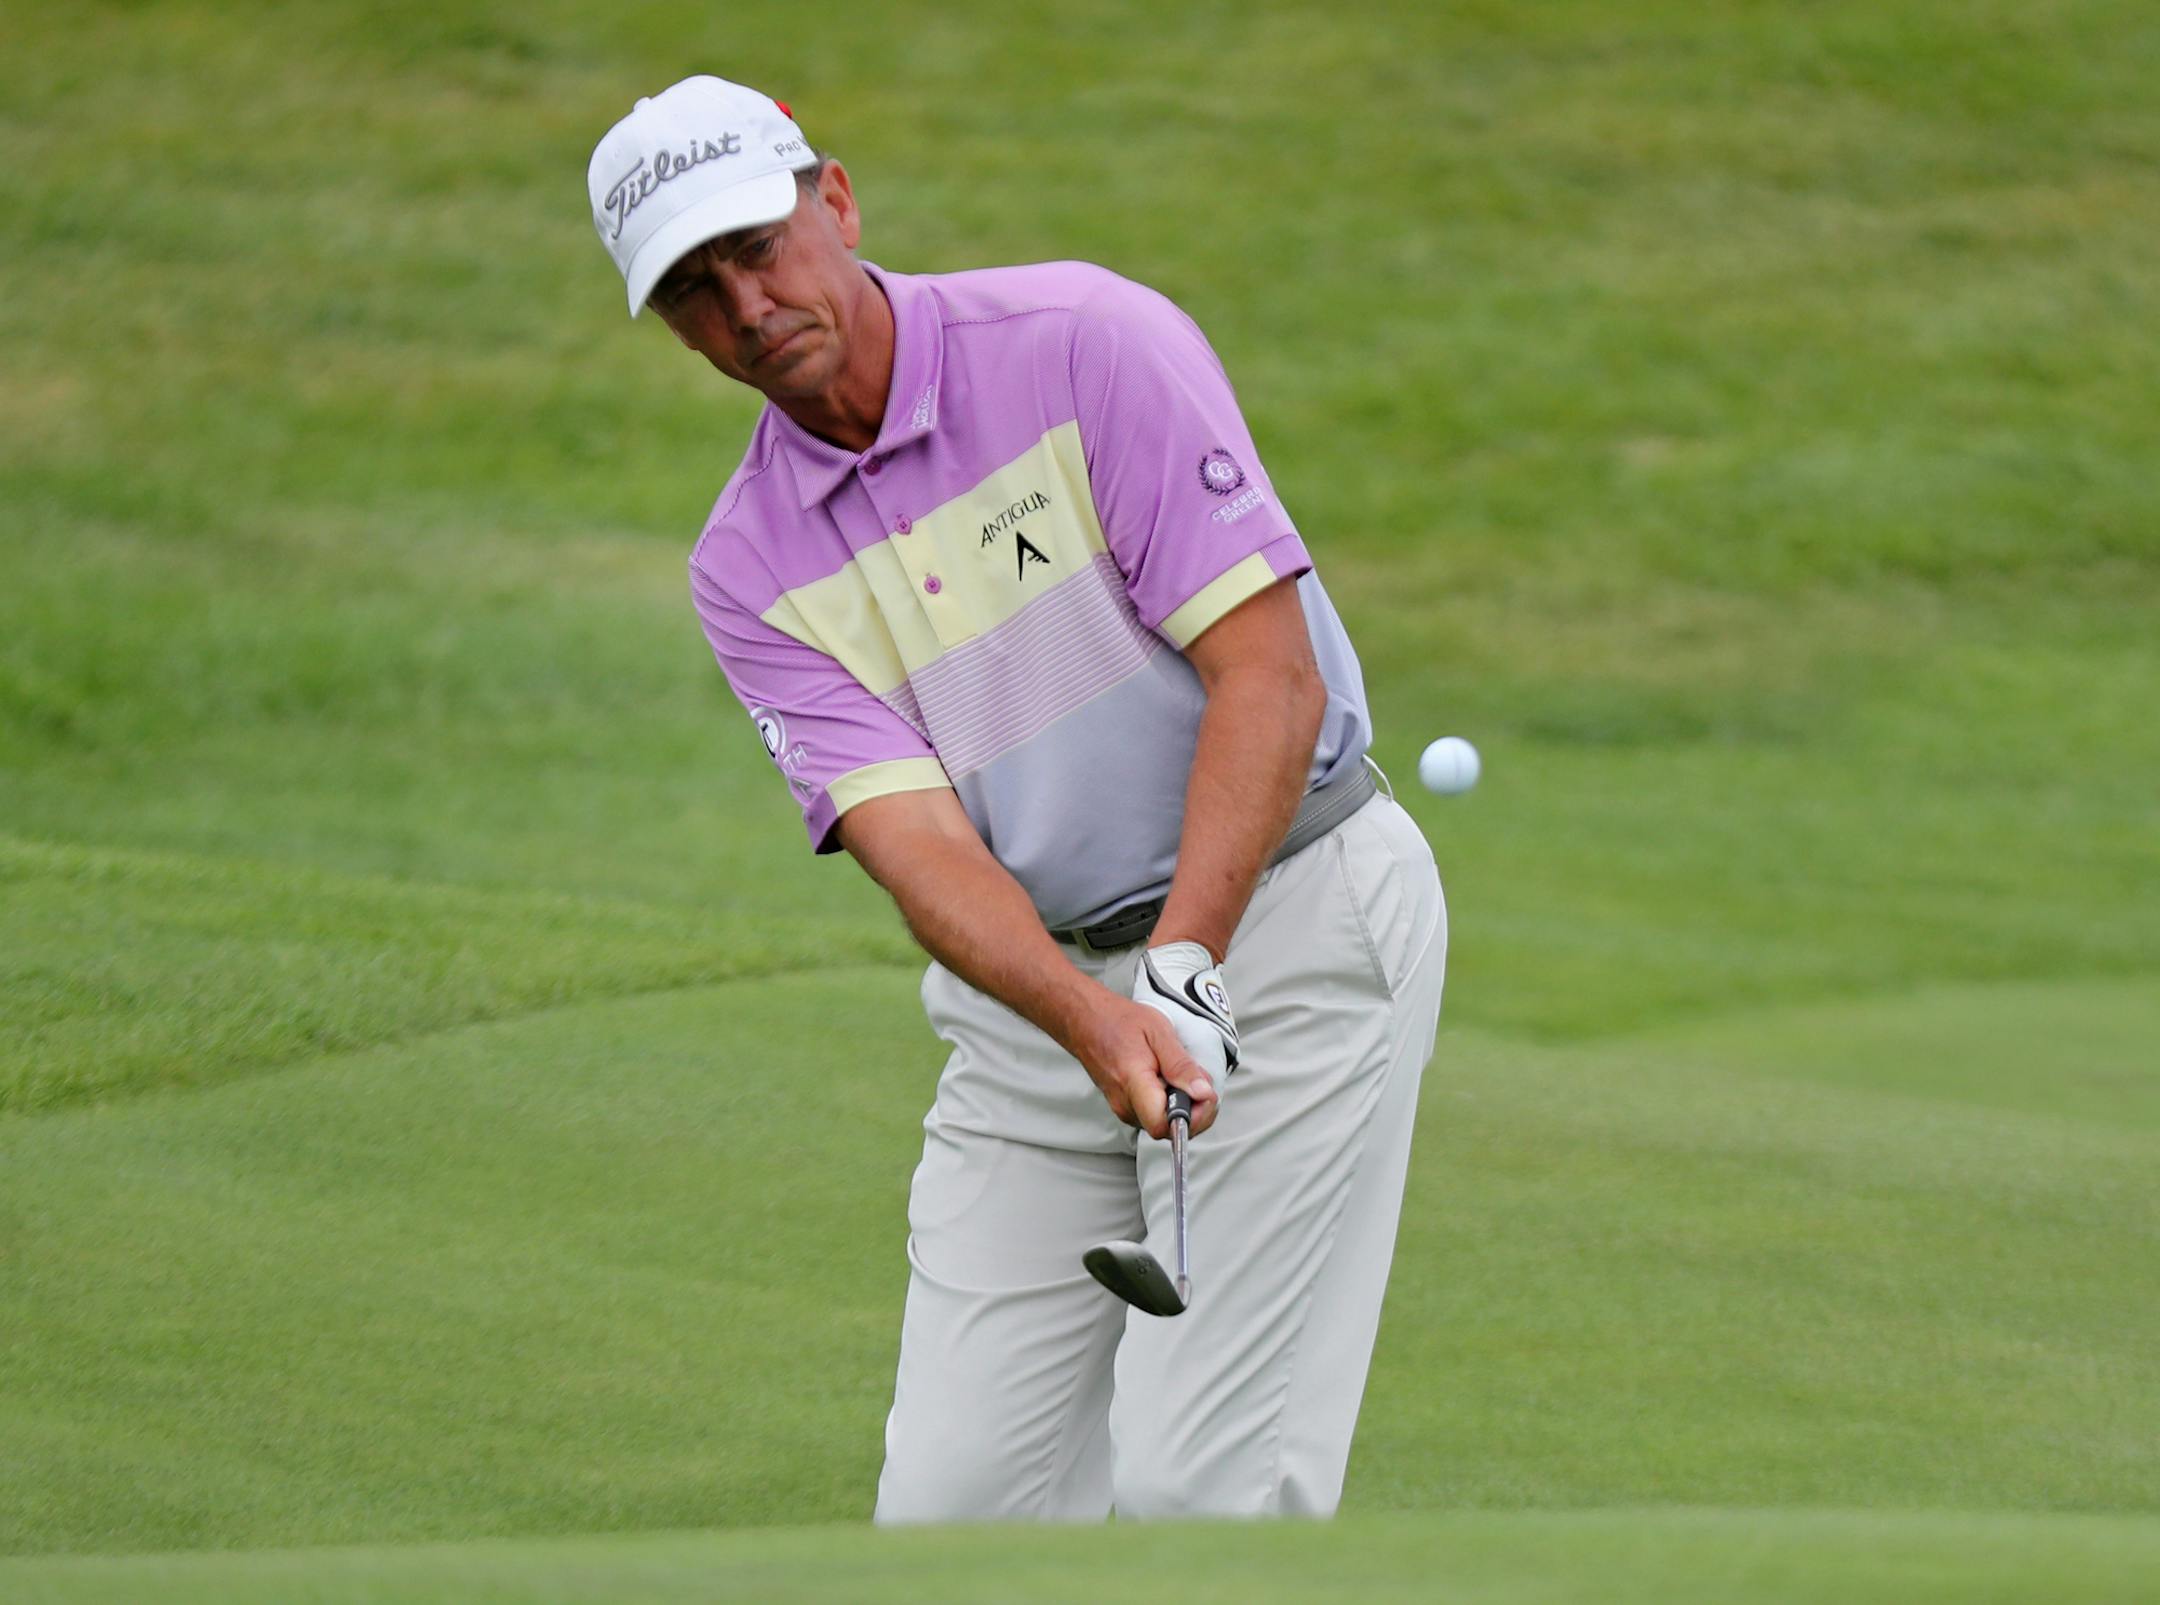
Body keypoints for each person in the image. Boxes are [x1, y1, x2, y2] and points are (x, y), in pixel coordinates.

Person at [587, 75, 1447, 1521]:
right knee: (948, 1514)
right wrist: (1092, 1014)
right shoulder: (746, 565)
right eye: (691, 287)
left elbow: (1268, 677)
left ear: (838, 201)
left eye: (760, 245)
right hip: (1039, 1010)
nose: (745, 304)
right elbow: (915, 843)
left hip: (1290, 926)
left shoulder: (1081, 343)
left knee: (1200, 1492)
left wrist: (1180, 963)